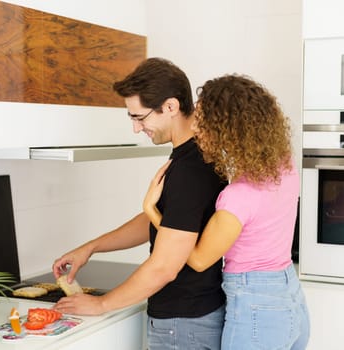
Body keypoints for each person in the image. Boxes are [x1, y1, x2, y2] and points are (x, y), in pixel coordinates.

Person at [52, 57, 227, 350]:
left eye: (140, 117)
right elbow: (165, 220)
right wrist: (92, 247)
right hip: (191, 320)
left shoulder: (189, 171)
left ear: (170, 107)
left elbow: (164, 268)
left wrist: (101, 304)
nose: (136, 129)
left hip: (183, 326)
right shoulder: (192, 156)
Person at [144, 74, 311, 349]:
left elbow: (198, 259)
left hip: (256, 309)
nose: (195, 126)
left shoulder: (237, 198)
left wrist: (151, 209)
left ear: (227, 130)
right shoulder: (285, 166)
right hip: (291, 299)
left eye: (203, 120)